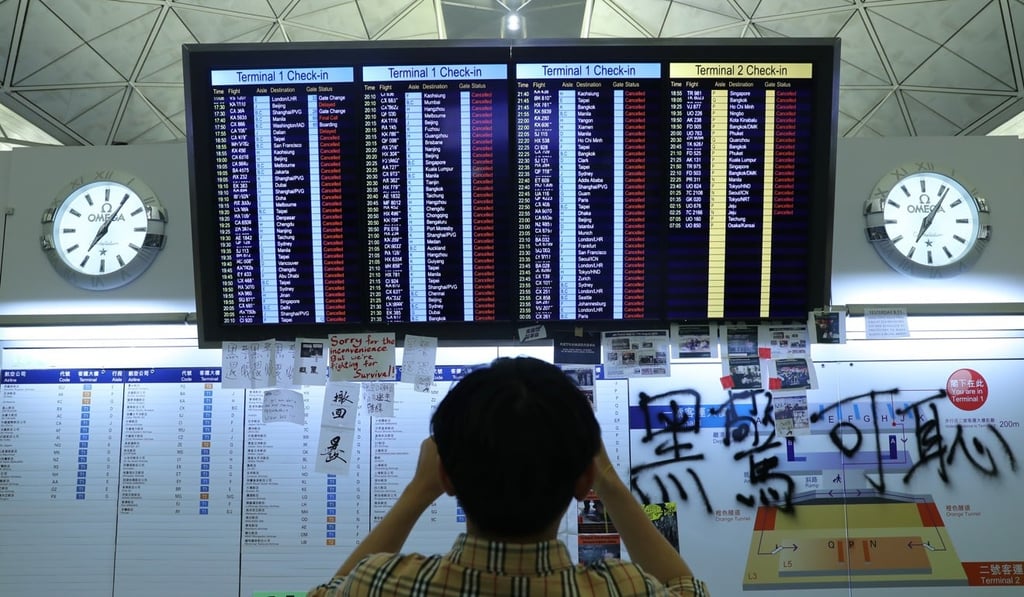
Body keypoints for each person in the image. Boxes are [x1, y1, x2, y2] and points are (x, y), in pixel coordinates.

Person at [309, 356, 709, 596]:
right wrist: (605, 477)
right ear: (584, 479)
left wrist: (418, 491)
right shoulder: (623, 587)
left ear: (445, 477)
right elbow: (686, 589)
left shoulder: (383, 583)